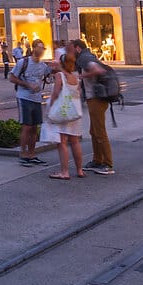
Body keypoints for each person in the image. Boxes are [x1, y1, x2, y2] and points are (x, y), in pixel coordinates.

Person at [70, 39, 118, 177]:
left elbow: (99, 70)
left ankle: (108, 164)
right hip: (94, 98)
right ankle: (97, 160)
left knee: (100, 131)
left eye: (72, 48)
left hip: (96, 98)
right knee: (94, 131)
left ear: (77, 48)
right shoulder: (87, 56)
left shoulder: (84, 58)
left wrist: (81, 76)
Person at [42, 50, 88, 180]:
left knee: (62, 142)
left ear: (61, 63)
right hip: (73, 112)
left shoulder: (60, 76)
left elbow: (56, 93)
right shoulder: (75, 76)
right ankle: (79, 170)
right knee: (74, 141)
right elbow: (78, 93)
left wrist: (50, 107)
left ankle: (64, 172)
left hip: (62, 111)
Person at [11, 41, 51, 167]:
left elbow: (48, 76)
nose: (42, 50)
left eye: (43, 48)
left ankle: (32, 154)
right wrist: (28, 85)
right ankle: (23, 155)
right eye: (40, 48)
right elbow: (12, 78)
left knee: (34, 128)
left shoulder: (43, 65)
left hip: (37, 98)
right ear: (34, 48)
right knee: (26, 127)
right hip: (24, 97)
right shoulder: (23, 62)